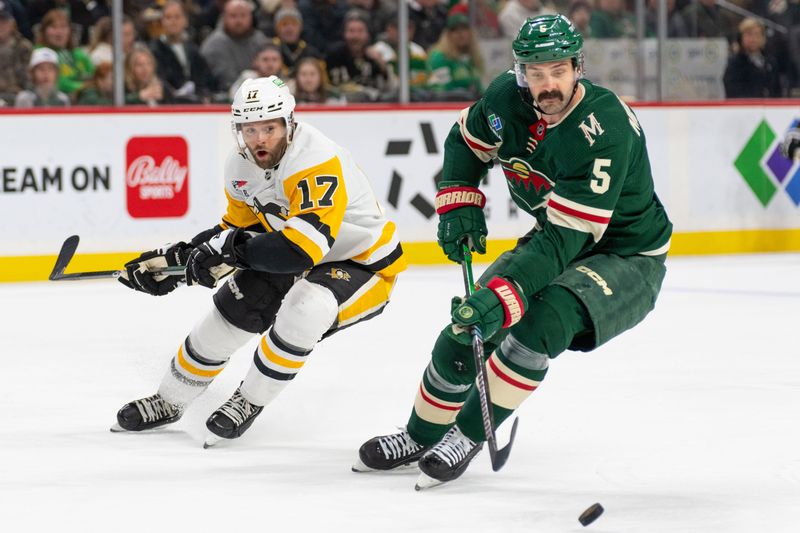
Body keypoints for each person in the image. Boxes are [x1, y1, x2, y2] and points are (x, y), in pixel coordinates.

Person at [353, 14, 672, 490]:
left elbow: (566, 239)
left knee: (540, 322)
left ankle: (465, 435)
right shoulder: (506, 99)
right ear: (520, 71)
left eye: (558, 71)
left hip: (626, 256)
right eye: (536, 72)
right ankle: (418, 435)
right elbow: (466, 140)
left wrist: (504, 294)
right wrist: (459, 198)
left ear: (577, 66)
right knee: (467, 324)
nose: (548, 85)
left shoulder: (604, 127)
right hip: (556, 234)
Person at [113, 75, 406, 448]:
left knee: (305, 309)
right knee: (230, 314)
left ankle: (247, 401)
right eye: (249, 129)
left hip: (363, 263)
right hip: (293, 251)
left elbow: (299, 251)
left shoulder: (316, 161)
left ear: (289, 123)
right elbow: (236, 229)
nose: (259, 139)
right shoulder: (239, 167)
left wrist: (227, 251)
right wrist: (178, 261)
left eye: (269, 127)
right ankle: (170, 400)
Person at [723, 18, 782, 98]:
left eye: (757, 35)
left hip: (769, 108)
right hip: (745, 108)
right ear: (741, 37)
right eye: (749, 34)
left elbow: (777, 91)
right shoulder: (735, 63)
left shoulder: (771, 62)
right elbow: (732, 91)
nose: (753, 39)